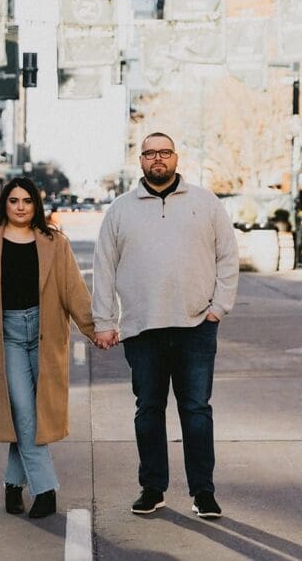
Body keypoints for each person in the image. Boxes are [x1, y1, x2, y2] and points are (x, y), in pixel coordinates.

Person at [92, 132, 239, 519]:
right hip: (142, 330)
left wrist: (218, 308)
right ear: (140, 160)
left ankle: (203, 493)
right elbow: (104, 269)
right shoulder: (121, 210)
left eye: (165, 152)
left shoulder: (206, 203)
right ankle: (152, 488)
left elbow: (228, 256)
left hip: (196, 326)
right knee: (149, 410)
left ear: (176, 157)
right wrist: (105, 321)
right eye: (150, 153)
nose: (158, 158)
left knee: (196, 411)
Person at [0, 177, 94, 518]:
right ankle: (46, 490)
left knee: (29, 414)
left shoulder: (53, 241)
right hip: (5, 335)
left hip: (44, 333)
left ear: (36, 205)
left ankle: (13, 486)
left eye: (27, 201)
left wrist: (94, 329)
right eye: (13, 200)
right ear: (4, 203)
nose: (20, 206)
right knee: (24, 412)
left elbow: (73, 289)